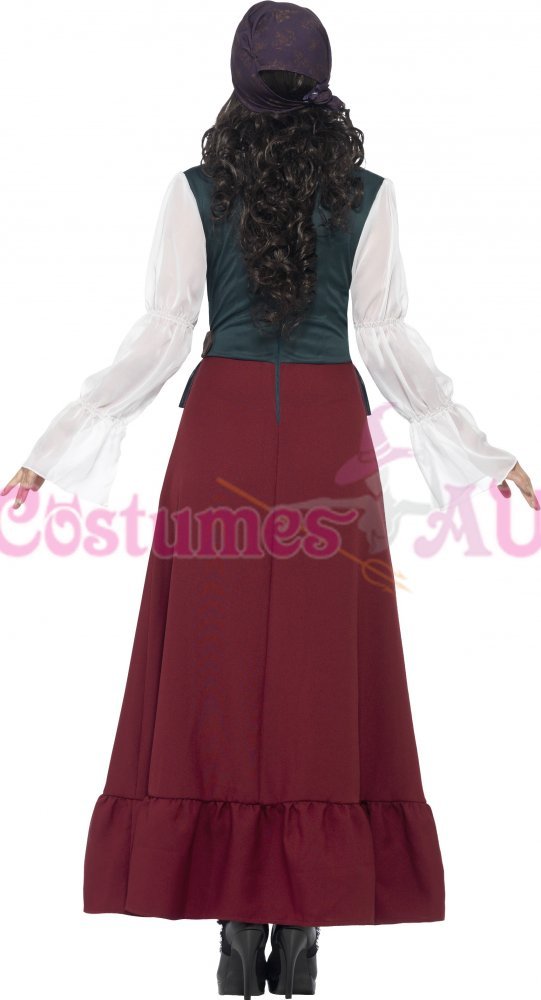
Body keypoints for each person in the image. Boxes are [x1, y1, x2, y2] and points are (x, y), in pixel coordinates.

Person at [3, 2, 538, 998]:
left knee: (210, 669)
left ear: (237, 81)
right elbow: (387, 340)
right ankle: (300, 931)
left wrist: (61, 440)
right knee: (316, 672)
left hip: (223, 432)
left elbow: (163, 332)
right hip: (329, 431)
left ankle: (234, 922)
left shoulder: (195, 190)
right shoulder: (368, 195)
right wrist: (477, 448)